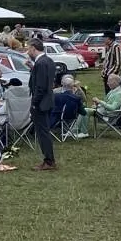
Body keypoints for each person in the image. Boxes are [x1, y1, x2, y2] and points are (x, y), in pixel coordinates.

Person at [26, 38, 57, 171]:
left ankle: (49, 161)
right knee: (45, 131)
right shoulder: (48, 61)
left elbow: (40, 86)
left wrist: (34, 103)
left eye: (28, 49)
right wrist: (32, 68)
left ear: (33, 48)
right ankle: (49, 160)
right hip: (47, 101)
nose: (27, 51)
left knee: (42, 132)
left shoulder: (41, 63)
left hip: (41, 103)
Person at [51, 74, 88, 139]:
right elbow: (83, 112)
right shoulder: (76, 98)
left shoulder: (56, 96)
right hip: (71, 117)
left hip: (55, 117)